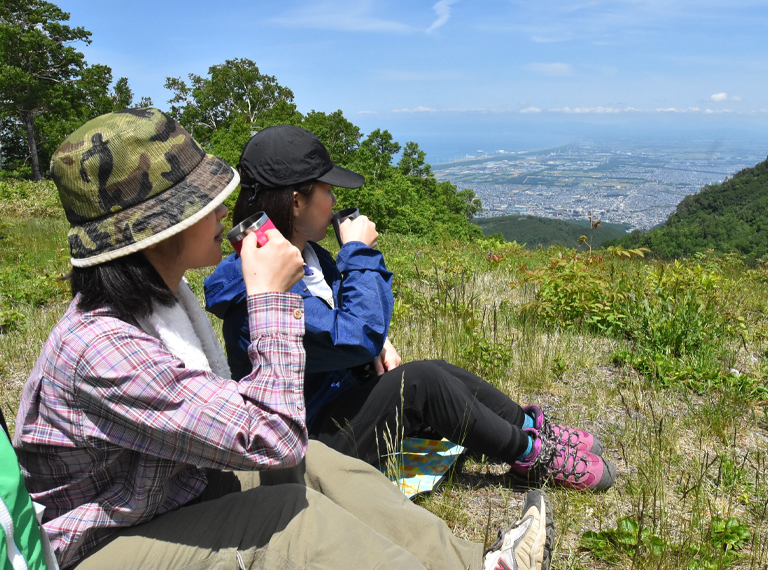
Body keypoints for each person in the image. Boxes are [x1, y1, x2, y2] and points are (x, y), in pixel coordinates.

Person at [12, 108, 554, 570]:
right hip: (102, 548)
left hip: (166, 496)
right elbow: (271, 435)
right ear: (161, 229)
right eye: (203, 202)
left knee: (317, 464)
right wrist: (270, 298)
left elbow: (276, 437)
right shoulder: (104, 348)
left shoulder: (153, 305)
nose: (225, 210)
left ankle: (471, 563)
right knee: (284, 520)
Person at [204, 125, 617, 491]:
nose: (334, 201)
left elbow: (349, 328)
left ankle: (527, 428)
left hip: (334, 406)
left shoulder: (307, 257)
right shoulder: (252, 294)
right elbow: (354, 335)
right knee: (418, 382)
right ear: (296, 202)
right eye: (327, 190)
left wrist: (376, 341)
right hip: (305, 443)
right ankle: (528, 456)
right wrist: (357, 252)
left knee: (436, 371)